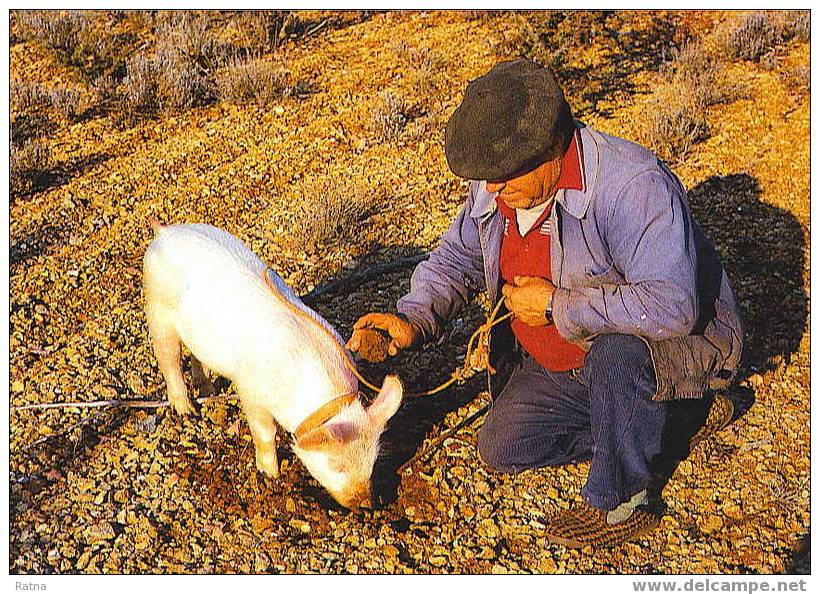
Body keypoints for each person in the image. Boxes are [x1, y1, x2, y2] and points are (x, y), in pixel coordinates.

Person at [347, 59, 743, 548]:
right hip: (565, 362)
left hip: (673, 348)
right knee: (502, 447)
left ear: (554, 144)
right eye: (487, 177)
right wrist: (412, 318)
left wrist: (558, 307)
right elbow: (458, 257)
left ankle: (622, 503)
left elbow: (673, 305)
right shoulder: (501, 179)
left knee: (616, 357)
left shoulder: (633, 185)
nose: (492, 189)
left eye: (504, 176)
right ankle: (672, 422)